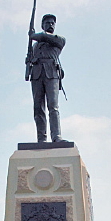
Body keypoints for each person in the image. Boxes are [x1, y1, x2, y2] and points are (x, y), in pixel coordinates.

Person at [28, 14, 67, 143]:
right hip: (36, 74)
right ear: (42, 25)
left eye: (52, 23)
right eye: (47, 23)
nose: (50, 25)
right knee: (38, 108)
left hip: (51, 73)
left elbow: (44, 36)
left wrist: (33, 35)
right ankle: (41, 138)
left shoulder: (59, 40)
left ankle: (56, 136)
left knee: (53, 106)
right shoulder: (35, 46)